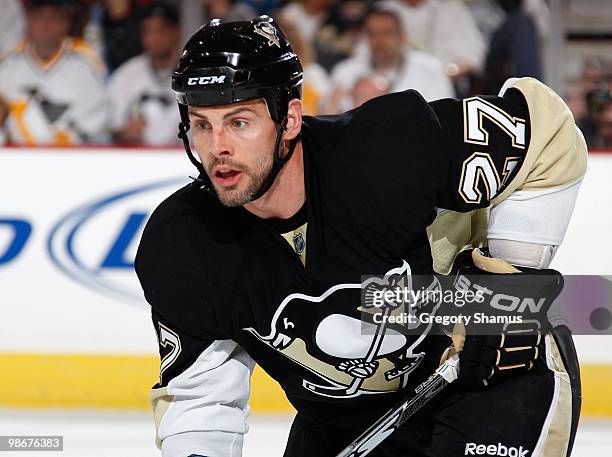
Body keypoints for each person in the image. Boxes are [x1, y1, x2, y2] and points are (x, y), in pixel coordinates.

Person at [135, 16, 585, 457]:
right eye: (202, 125)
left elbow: (547, 131)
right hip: (342, 425)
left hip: (490, 384)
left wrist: (510, 281)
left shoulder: (384, 152)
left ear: (289, 119)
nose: (218, 148)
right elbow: (201, 402)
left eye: (239, 122)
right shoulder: (184, 242)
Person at [0, 0, 107, 145]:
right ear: (28, 22)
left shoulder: (83, 65)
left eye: (53, 18)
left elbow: (95, 123)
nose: (46, 25)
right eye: (39, 17)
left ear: (65, 23)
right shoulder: (8, 64)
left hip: (69, 158)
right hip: (15, 157)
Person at [329, 7, 454, 112]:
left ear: (402, 37)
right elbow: (332, 118)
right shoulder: (345, 72)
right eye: (373, 34)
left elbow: (444, 115)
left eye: (387, 33)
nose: (379, 41)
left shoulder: (430, 69)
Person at [107, 3, 181, 146]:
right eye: (148, 31)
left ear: (177, 31)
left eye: (161, 30)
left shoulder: (194, 74)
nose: (155, 38)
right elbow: (112, 127)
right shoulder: (126, 74)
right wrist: (124, 131)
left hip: (184, 158)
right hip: (138, 159)